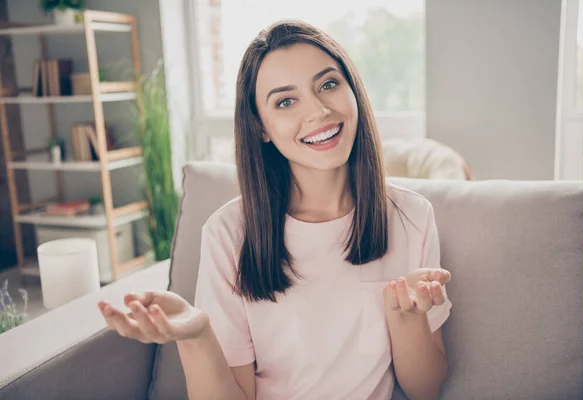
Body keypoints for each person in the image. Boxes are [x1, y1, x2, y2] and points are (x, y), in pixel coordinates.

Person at [97, 20, 453, 400]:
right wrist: (198, 337)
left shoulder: (412, 217)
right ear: (261, 128)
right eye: (285, 101)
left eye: (329, 84)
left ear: (353, 91)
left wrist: (407, 318)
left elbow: (426, 390)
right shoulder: (227, 234)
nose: (318, 111)